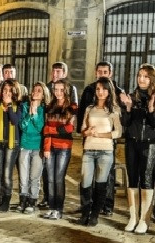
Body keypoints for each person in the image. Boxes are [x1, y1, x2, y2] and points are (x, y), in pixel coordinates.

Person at [77, 61, 122, 216]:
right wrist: (84, 132)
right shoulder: (89, 91)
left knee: (105, 178)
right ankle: (86, 209)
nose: (102, 74)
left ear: (110, 73)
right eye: (99, 71)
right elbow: (82, 114)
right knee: (86, 179)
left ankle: (105, 207)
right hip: (89, 144)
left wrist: (103, 135)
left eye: (105, 72)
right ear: (96, 73)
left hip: (107, 145)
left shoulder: (117, 94)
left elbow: (119, 128)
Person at [118, 64, 155, 234]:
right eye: (140, 75)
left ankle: (144, 220)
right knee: (132, 179)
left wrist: (151, 109)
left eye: (146, 76)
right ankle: (133, 217)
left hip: (150, 144)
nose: (141, 79)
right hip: (131, 142)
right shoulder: (132, 97)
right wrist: (127, 107)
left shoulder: (154, 97)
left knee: (146, 180)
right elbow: (125, 123)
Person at [42, 80, 77, 220]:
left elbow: (69, 129)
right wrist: (46, 147)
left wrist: (52, 129)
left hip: (64, 147)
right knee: (50, 179)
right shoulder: (50, 106)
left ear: (66, 91)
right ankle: (51, 207)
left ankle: (58, 209)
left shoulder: (72, 107)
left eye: (61, 90)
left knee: (58, 178)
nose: (58, 92)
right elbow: (45, 130)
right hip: (50, 146)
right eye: (56, 89)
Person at [0, 80, 21, 212]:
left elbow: (14, 121)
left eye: (9, 91)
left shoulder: (18, 105)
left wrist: (8, 107)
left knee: (7, 174)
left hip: (12, 144)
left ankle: (6, 201)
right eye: (4, 90)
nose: (6, 93)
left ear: (14, 92)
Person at [17, 82, 49, 214]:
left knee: (34, 177)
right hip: (25, 145)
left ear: (43, 95)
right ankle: (22, 200)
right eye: (34, 90)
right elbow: (22, 126)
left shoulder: (44, 109)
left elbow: (40, 127)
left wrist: (35, 114)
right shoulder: (24, 107)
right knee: (23, 176)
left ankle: (32, 201)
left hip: (37, 147)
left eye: (39, 91)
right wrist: (29, 114)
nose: (35, 92)